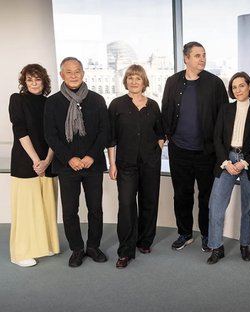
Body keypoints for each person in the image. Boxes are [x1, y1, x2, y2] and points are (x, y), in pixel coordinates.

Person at [161, 41, 228, 252]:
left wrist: (221, 150)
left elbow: (223, 117)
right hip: (179, 150)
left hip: (206, 152)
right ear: (186, 59)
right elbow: (166, 110)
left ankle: (207, 235)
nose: (202, 59)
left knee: (206, 196)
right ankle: (185, 233)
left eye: (204, 55)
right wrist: (166, 136)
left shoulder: (215, 83)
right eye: (197, 55)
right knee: (182, 194)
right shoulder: (172, 82)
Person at [44, 57, 109, 268]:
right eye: (69, 72)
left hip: (93, 164)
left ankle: (93, 246)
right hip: (66, 166)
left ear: (83, 73)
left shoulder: (97, 100)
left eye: (77, 71)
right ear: (62, 74)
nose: (74, 75)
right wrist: (69, 158)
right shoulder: (52, 102)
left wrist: (91, 156)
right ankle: (77, 249)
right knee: (70, 211)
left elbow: (104, 131)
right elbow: (50, 135)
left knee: (95, 209)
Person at [107, 65, 165, 269]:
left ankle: (145, 241)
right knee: (126, 205)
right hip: (125, 164)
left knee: (149, 202)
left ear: (144, 82)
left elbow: (160, 133)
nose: (133, 81)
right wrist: (112, 164)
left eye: (137, 78)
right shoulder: (116, 105)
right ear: (126, 81)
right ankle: (125, 251)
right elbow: (111, 138)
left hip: (150, 163)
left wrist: (156, 152)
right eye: (130, 78)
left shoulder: (153, 106)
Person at [206, 72, 250, 264]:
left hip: (249, 161)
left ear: (249, 86)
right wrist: (226, 162)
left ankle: (245, 245)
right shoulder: (225, 109)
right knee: (215, 206)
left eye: (241, 85)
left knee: (247, 207)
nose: (238, 90)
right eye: (234, 87)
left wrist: (244, 162)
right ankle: (216, 247)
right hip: (227, 159)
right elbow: (217, 138)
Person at [9, 64, 59, 267]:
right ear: (24, 82)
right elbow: (20, 130)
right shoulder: (17, 99)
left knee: (46, 206)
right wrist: (36, 161)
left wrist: (47, 160)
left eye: (37, 79)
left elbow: (54, 135)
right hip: (25, 162)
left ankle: (44, 245)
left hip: (48, 162)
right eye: (29, 79)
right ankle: (20, 253)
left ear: (44, 81)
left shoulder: (51, 103)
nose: (34, 83)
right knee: (26, 209)